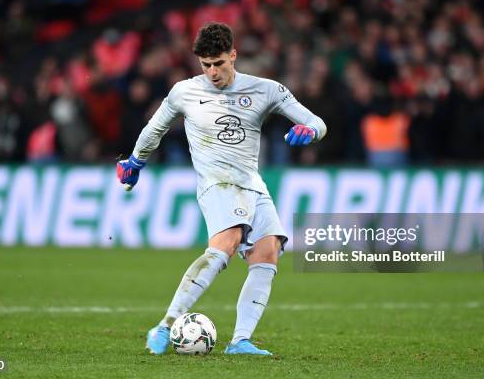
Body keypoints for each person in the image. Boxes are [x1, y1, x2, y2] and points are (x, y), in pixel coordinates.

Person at [116, 22, 327, 355]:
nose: (213, 72)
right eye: (206, 65)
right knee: (226, 244)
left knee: (267, 252)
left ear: (233, 55)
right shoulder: (184, 92)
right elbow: (154, 129)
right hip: (216, 183)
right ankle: (165, 324)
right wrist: (134, 163)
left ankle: (240, 341)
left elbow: (317, 121)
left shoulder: (266, 89)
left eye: (219, 63)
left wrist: (309, 132)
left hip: (252, 184)